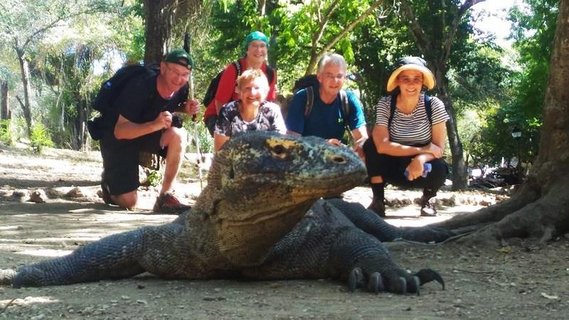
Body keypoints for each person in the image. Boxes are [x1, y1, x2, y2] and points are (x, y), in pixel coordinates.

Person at [100, 48, 200, 213]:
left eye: (185, 74)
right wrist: (155, 125)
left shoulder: (181, 87)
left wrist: (185, 108)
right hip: (119, 137)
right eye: (175, 72)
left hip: (148, 133)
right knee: (129, 202)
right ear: (163, 68)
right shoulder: (140, 86)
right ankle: (109, 185)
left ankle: (164, 197)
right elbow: (120, 131)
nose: (179, 79)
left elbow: (169, 105)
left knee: (179, 135)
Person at [362, 56, 449, 217]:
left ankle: (428, 200)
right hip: (392, 166)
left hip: (423, 169)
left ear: (423, 82)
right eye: (405, 78)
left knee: (440, 168)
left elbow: (438, 149)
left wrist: (420, 159)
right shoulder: (386, 104)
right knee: (371, 146)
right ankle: (378, 201)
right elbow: (381, 145)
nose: (411, 84)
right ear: (397, 82)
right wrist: (423, 149)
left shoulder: (434, 105)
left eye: (416, 79)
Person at [285, 53, 368, 157]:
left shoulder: (348, 99)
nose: (335, 81)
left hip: (337, 159)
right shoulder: (303, 98)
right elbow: (292, 140)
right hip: (305, 159)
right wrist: (323, 145)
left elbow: (362, 138)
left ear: (344, 78)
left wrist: (362, 146)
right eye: (329, 76)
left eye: (339, 76)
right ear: (319, 77)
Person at [204, 31, 278, 136]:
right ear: (247, 49)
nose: (259, 50)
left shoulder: (270, 73)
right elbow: (220, 103)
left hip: (251, 117)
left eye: (262, 46)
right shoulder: (234, 69)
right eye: (254, 45)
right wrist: (226, 125)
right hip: (219, 114)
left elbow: (268, 103)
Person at [214, 69, 287, 151]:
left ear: (265, 92)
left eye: (257, 88)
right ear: (239, 91)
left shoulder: (272, 111)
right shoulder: (228, 111)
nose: (252, 93)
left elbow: (280, 148)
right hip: (234, 162)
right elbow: (220, 151)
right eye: (247, 88)